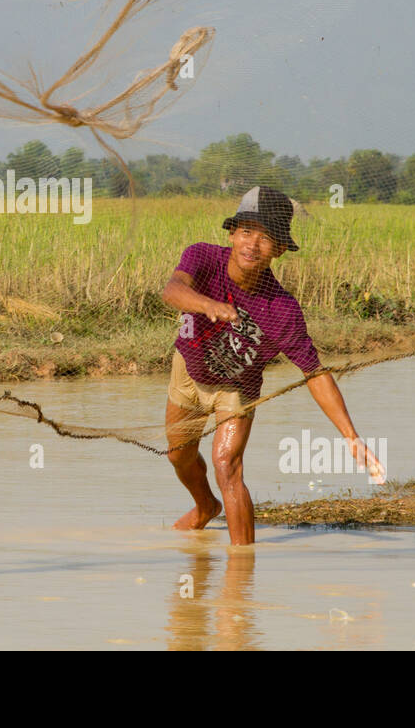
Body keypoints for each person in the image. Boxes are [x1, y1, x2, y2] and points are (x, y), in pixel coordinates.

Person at [161, 185, 384, 546]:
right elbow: (172, 290)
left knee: (226, 465)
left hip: (237, 390)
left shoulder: (281, 310)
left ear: (280, 249)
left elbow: (315, 372)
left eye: (266, 238)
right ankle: (205, 507)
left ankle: (240, 572)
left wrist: (351, 437)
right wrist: (208, 306)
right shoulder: (201, 258)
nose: (252, 244)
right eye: (247, 231)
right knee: (178, 456)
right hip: (188, 369)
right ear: (232, 234)